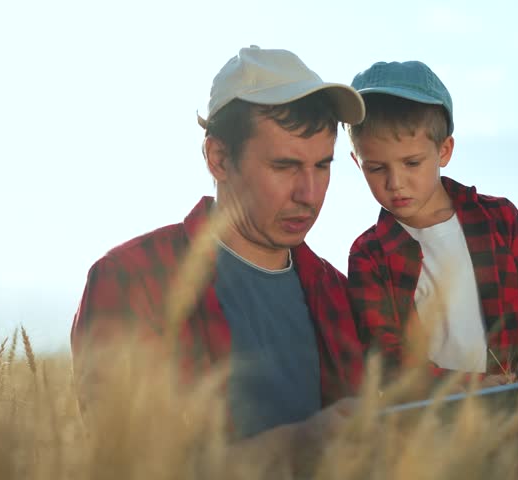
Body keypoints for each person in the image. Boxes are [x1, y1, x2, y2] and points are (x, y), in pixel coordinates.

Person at [70, 45, 366, 472]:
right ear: (219, 158)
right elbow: (133, 464)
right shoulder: (131, 279)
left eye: (322, 165)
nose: (310, 193)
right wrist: (300, 445)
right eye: (284, 166)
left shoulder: (338, 292)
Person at [345, 60, 518, 405]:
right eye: (376, 168)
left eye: (411, 163)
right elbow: (386, 356)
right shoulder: (369, 255)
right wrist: (463, 389)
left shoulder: (499, 219)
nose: (395, 183)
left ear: (444, 151)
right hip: (427, 434)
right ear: (356, 162)